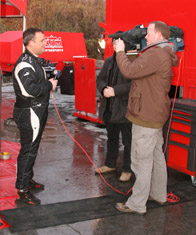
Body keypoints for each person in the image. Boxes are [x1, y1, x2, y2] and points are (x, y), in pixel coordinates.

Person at [115, 21, 178, 214]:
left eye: (149, 33)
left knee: (141, 159)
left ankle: (137, 204)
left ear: (159, 35)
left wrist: (120, 52)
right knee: (156, 156)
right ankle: (158, 194)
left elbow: (130, 71)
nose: (145, 37)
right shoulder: (159, 53)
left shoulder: (156, 54)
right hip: (154, 113)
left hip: (146, 115)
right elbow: (139, 69)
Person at [13, 28, 58, 205]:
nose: (45, 43)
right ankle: (22, 188)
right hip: (29, 112)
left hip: (36, 111)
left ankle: (27, 180)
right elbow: (29, 90)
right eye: (42, 40)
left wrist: (48, 79)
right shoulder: (24, 63)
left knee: (32, 147)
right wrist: (49, 84)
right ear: (31, 43)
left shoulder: (34, 60)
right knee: (29, 149)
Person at [95, 33, 132, 182]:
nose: (114, 44)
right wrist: (103, 88)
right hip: (108, 108)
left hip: (124, 109)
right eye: (114, 42)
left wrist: (115, 91)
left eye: (118, 42)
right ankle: (110, 164)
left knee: (128, 141)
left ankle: (127, 169)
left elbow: (134, 85)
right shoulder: (109, 61)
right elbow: (100, 79)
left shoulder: (131, 61)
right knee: (111, 138)